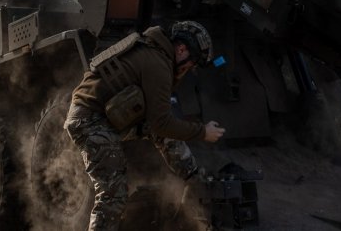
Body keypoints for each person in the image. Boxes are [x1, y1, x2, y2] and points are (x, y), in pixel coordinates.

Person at [64, 20, 226, 231]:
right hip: (90, 120)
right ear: (181, 49)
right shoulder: (158, 63)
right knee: (113, 194)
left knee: (159, 133)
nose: (189, 68)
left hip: (103, 119)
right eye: (192, 62)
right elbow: (162, 123)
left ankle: (193, 178)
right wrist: (203, 132)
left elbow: (157, 125)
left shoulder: (156, 54)